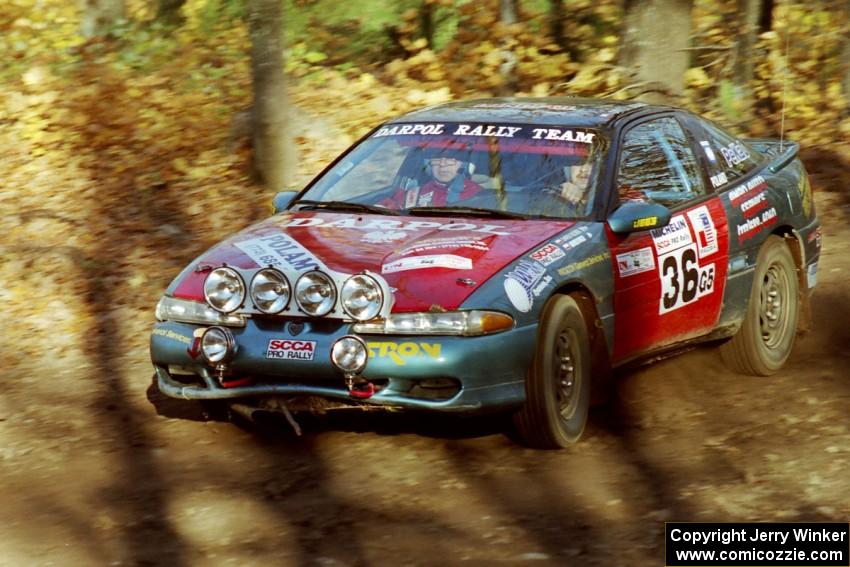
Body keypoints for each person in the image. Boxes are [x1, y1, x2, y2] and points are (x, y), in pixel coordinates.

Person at [381, 151, 483, 209]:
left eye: (450, 161)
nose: (442, 165)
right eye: (437, 160)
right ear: (429, 165)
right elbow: (385, 208)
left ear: (461, 165)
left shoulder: (478, 193)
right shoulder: (414, 193)